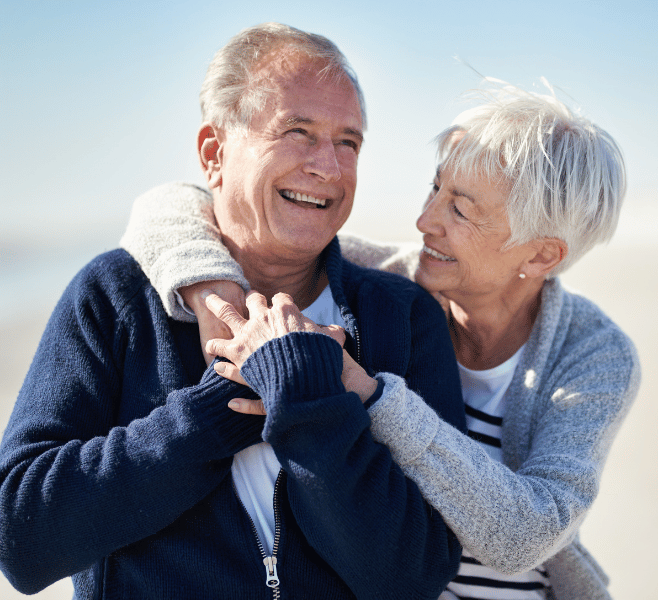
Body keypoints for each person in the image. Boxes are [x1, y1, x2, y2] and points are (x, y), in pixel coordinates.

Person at [120, 81, 641, 600]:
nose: (424, 222)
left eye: (460, 210)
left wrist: (374, 394)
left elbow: (527, 536)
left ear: (541, 257)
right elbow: (170, 206)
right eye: (435, 188)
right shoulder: (389, 283)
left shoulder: (594, 354)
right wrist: (210, 285)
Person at [0, 23, 466, 599]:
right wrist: (216, 412)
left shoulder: (402, 315)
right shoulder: (115, 294)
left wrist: (308, 402)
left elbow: (415, 575)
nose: (330, 166)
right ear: (214, 154)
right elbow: (20, 541)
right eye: (298, 132)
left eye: (349, 142)